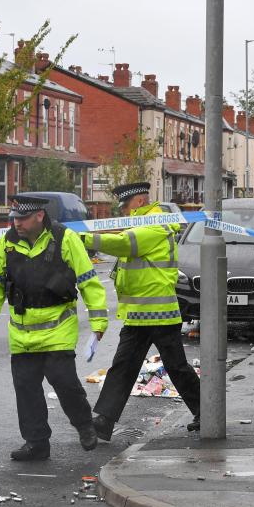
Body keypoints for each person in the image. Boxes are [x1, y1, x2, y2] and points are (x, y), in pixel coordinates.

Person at [0, 195, 108, 461]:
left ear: (39, 216)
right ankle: (36, 444)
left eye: (21, 218)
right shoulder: (7, 243)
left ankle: (84, 425)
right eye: (14, 218)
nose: (16, 223)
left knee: (64, 382)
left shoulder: (64, 239)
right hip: (22, 334)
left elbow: (89, 281)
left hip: (58, 330)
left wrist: (99, 322)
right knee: (26, 389)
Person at [80, 183, 201, 439]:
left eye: (124, 206)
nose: (122, 212)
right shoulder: (143, 223)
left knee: (176, 366)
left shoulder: (154, 225)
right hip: (140, 312)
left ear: (137, 202)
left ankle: (206, 412)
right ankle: (104, 420)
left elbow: (125, 245)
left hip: (159, 312)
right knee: (123, 367)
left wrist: (84, 237)